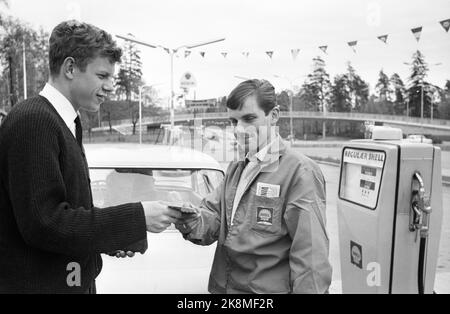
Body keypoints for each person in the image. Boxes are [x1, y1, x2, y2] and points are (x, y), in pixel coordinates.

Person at [0, 20, 181, 294]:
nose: (110, 86)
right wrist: (136, 218)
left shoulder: (65, 120)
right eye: (102, 76)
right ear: (70, 68)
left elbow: (69, 211)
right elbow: (45, 224)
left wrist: (111, 237)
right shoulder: (34, 121)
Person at [176, 79, 332, 294]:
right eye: (233, 121)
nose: (239, 129)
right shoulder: (237, 168)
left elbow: (311, 256)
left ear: (274, 115)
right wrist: (188, 218)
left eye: (249, 118)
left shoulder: (299, 172)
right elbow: (214, 220)